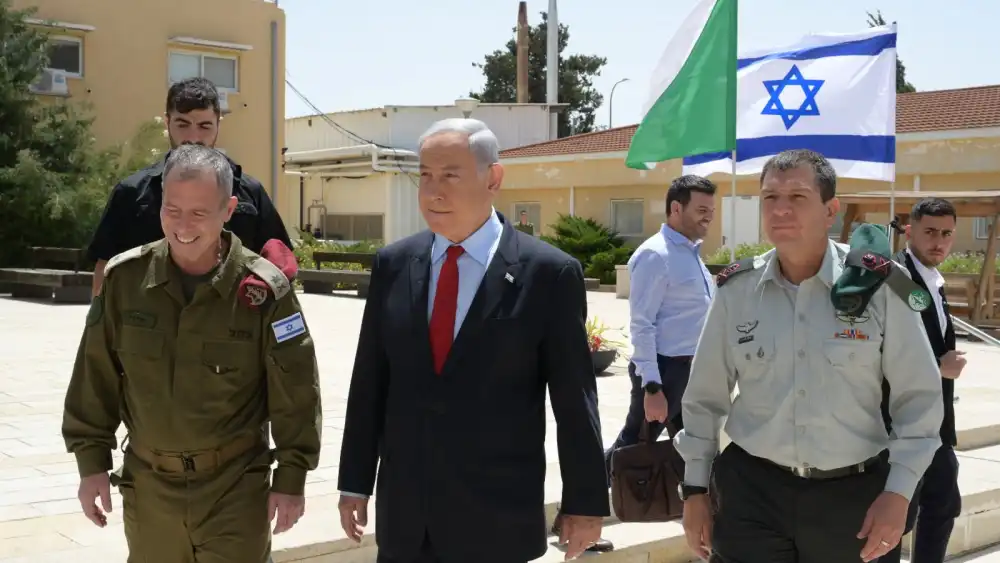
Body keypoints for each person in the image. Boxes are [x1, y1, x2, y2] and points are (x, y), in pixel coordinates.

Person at [336, 118, 609, 563]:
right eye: (424, 175)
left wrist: (584, 503)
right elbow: (370, 382)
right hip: (407, 523)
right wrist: (354, 481)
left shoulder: (548, 274)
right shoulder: (394, 264)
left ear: (493, 179)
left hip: (496, 525)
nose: (432, 191)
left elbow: (575, 401)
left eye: (449, 175)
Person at [675, 149, 945, 563]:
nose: (780, 210)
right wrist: (694, 490)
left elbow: (920, 399)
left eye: (798, 197)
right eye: (769, 198)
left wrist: (899, 492)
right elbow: (705, 397)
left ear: (830, 209)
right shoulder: (736, 290)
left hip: (853, 500)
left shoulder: (881, 286)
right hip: (752, 496)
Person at [62, 144, 322, 562]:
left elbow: (296, 391)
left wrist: (291, 478)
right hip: (149, 492)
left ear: (229, 209)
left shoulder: (264, 291)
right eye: (172, 209)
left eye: (199, 213)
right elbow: (96, 375)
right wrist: (90, 462)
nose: (183, 225)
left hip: (234, 491)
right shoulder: (125, 280)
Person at [87, 76, 292, 297]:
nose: (193, 137)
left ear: (218, 125)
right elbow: (105, 267)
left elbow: (279, 261)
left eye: (204, 126)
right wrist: (101, 325)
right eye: (182, 124)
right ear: (167, 123)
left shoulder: (249, 192)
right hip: (148, 325)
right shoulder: (132, 193)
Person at [880, 197, 965, 563]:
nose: (939, 241)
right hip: (900, 426)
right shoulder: (896, 277)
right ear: (909, 230)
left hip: (937, 425)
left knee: (943, 505)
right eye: (930, 232)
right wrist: (937, 365)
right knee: (895, 520)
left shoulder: (933, 279)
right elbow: (884, 347)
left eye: (947, 233)